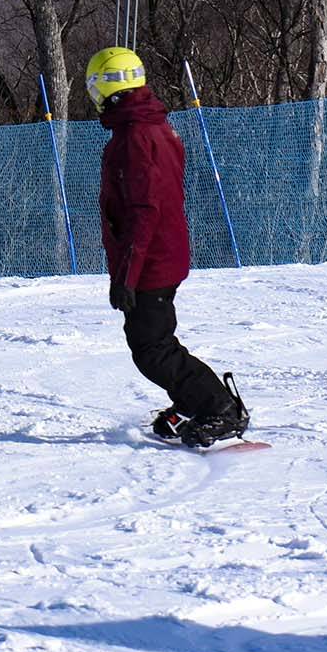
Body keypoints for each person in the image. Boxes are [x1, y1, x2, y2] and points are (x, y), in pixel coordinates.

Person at [88, 47, 247, 447]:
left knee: (151, 348)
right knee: (154, 342)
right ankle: (195, 401)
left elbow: (144, 209)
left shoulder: (136, 136)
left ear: (102, 86)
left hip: (151, 258)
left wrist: (127, 273)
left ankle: (218, 408)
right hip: (159, 253)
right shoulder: (152, 127)